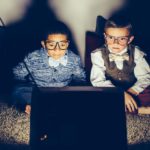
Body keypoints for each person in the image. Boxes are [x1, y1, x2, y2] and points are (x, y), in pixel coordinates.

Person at [12, 22, 86, 114]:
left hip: (62, 91)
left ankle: (55, 106)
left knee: (78, 97)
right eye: (51, 45)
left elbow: (80, 78)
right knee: (18, 91)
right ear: (44, 44)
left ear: (67, 44)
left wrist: (75, 89)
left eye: (62, 45)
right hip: (37, 90)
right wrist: (24, 84)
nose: (57, 50)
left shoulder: (74, 59)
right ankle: (29, 105)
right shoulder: (33, 57)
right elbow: (17, 74)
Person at [90, 16, 150, 113]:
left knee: (146, 94)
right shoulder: (98, 54)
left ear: (130, 40)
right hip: (110, 90)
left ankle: (134, 108)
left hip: (133, 89)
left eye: (122, 39)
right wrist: (121, 94)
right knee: (98, 101)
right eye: (111, 37)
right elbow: (98, 81)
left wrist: (130, 93)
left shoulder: (137, 52)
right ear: (105, 37)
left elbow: (145, 77)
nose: (115, 43)